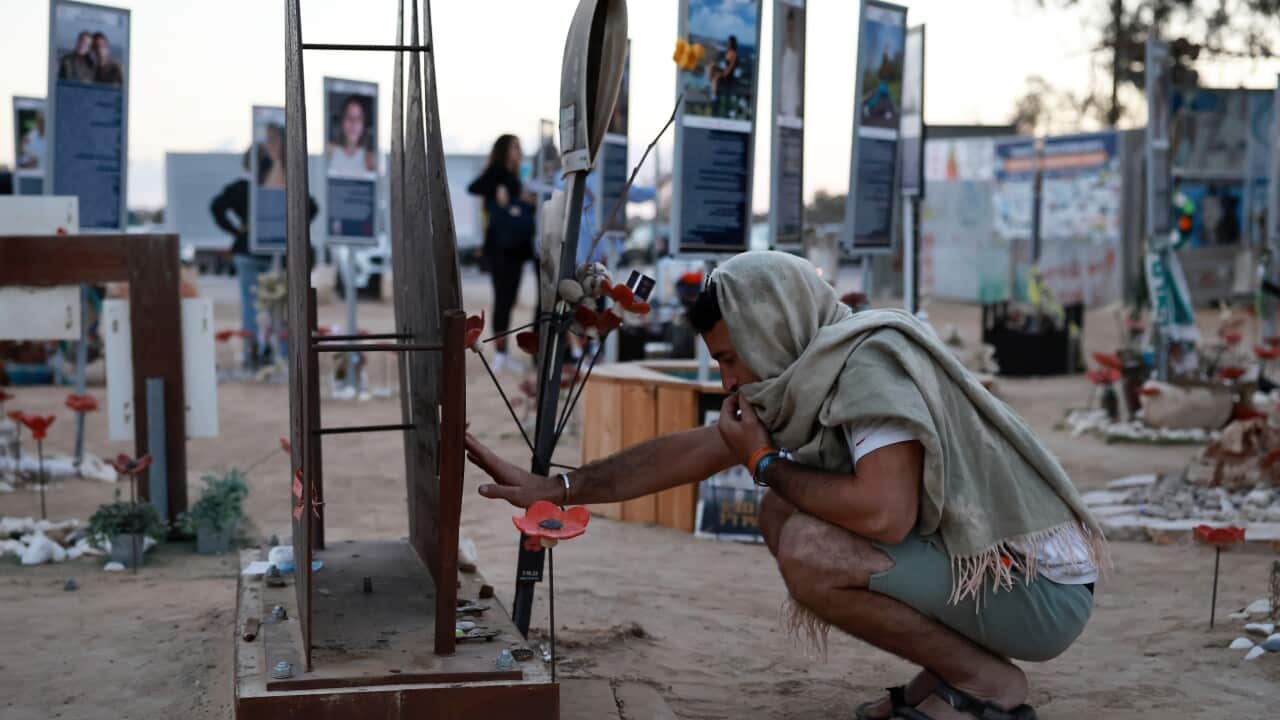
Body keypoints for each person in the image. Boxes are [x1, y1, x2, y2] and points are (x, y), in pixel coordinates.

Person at [465, 251, 1106, 720]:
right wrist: (559, 486)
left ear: (770, 330)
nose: (728, 381)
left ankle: (987, 685)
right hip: (1002, 575)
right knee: (781, 514)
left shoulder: (865, 366)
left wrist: (765, 463)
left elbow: (885, 514)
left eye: (729, 358)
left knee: (806, 543)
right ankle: (951, 674)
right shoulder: (812, 368)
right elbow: (690, 452)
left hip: (1036, 590)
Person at [210, 149, 317, 369]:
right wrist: (291, 228)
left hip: (247, 251)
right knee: (284, 306)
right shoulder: (280, 188)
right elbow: (312, 207)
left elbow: (216, 207)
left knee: (251, 306)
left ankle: (253, 353)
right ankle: (286, 354)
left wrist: (237, 231)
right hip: (280, 252)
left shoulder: (239, 188)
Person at [468, 134, 536, 373]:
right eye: (514, 147)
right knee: (502, 298)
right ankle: (500, 352)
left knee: (509, 298)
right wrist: (497, 192)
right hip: (499, 247)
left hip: (517, 248)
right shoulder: (496, 173)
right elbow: (474, 187)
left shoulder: (517, 178)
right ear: (504, 150)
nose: (518, 151)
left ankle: (504, 351)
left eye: (519, 147)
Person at [326, 96, 377, 178]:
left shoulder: (370, 160)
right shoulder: (328, 152)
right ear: (342, 121)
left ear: (364, 124)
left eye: (358, 118)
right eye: (349, 116)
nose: (353, 123)